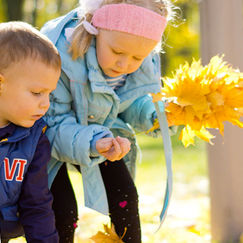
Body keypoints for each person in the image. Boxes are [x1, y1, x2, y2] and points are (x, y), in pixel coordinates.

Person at [41, 0, 174, 242]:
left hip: (100, 135)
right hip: (48, 136)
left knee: (124, 194)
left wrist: (155, 116)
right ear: (96, 27)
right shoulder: (59, 54)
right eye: (117, 52)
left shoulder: (136, 64)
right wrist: (91, 140)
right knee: (61, 208)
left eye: (137, 57)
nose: (124, 65)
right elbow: (53, 121)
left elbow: (129, 101)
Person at [0, 21, 61, 243]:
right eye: (36, 93)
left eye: (49, 95)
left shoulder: (34, 138)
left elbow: (36, 203)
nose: (45, 104)